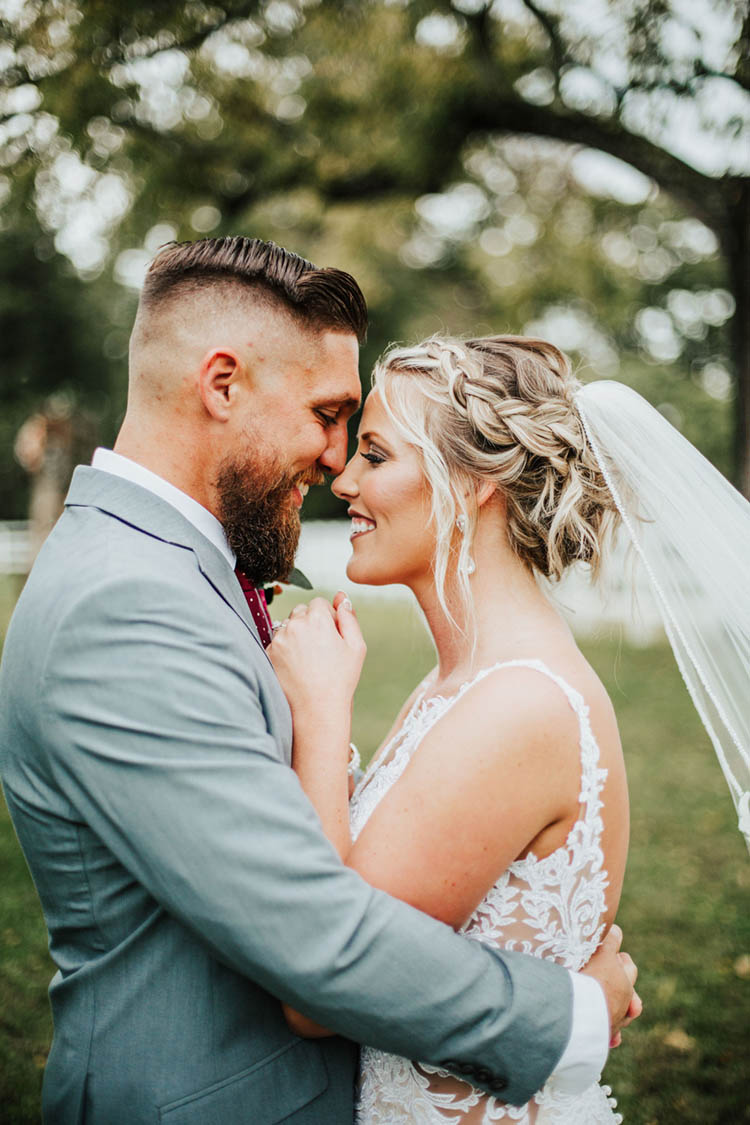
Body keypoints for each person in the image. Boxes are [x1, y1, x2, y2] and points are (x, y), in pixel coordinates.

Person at [0, 239, 636, 1125]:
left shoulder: (169, 569)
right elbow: (314, 932)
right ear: (222, 384)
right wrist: (570, 1012)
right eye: (329, 414)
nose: (335, 462)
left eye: (366, 442)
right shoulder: (129, 600)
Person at [268, 331, 748, 1123]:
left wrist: (321, 720)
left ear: (477, 478)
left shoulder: (517, 706)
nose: (344, 479)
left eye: (377, 456)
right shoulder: (463, 682)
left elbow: (320, 994)